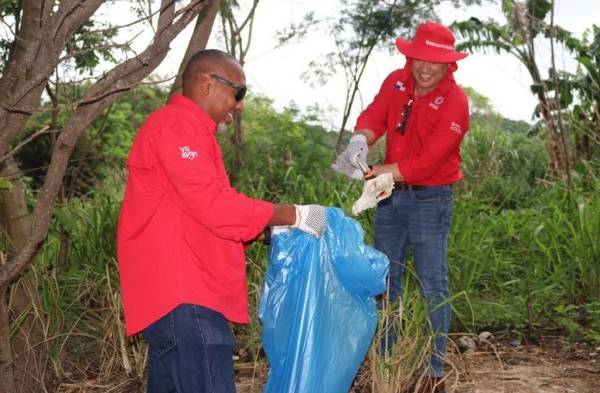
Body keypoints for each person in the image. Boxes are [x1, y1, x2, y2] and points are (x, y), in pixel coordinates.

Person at [117, 49, 327, 393]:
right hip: (185, 296)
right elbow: (214, 205)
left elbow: (194, 214)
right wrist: (295, 213)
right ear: (206, 84)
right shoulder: (177, 126)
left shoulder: (191, 132)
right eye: (237, 92)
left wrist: (270, 232)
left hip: (176, 299)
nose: (239, 104)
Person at [333, 21, 470, 393]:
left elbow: (428, 161)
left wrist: (379, 172)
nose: (424, 68)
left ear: (449, 65)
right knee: (385, 279)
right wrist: (361, 138)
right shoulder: (396, 80)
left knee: (433, 282)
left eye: (434, 62)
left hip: (431, 197)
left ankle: (434, 369)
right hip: (390, 197)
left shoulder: (455, 102)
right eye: (418, 59)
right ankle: (386, 362)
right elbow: (376, 114)